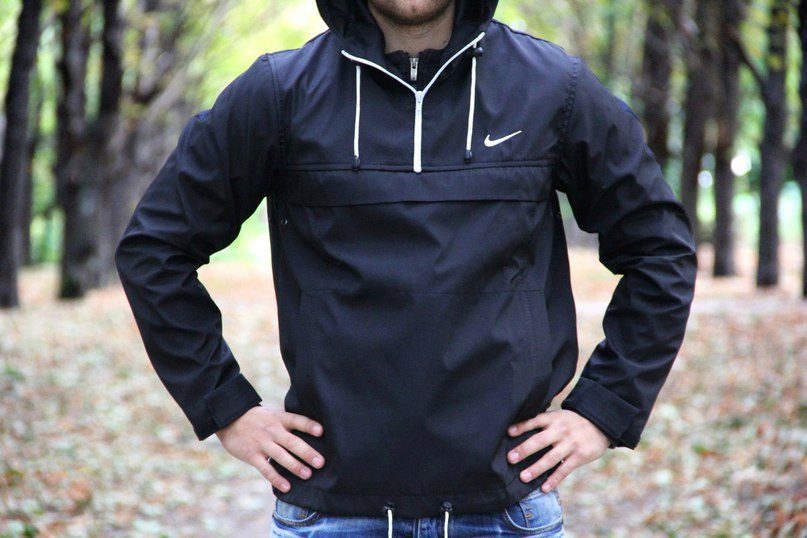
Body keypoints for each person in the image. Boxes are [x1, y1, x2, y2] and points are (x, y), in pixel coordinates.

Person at [114, 0, 698, 536]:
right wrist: (225, 406)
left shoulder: (551, 88)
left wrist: (603, 409)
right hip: (330, 513)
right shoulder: (279, 93)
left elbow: (660, 248)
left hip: (507, 510)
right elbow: (154, 249)